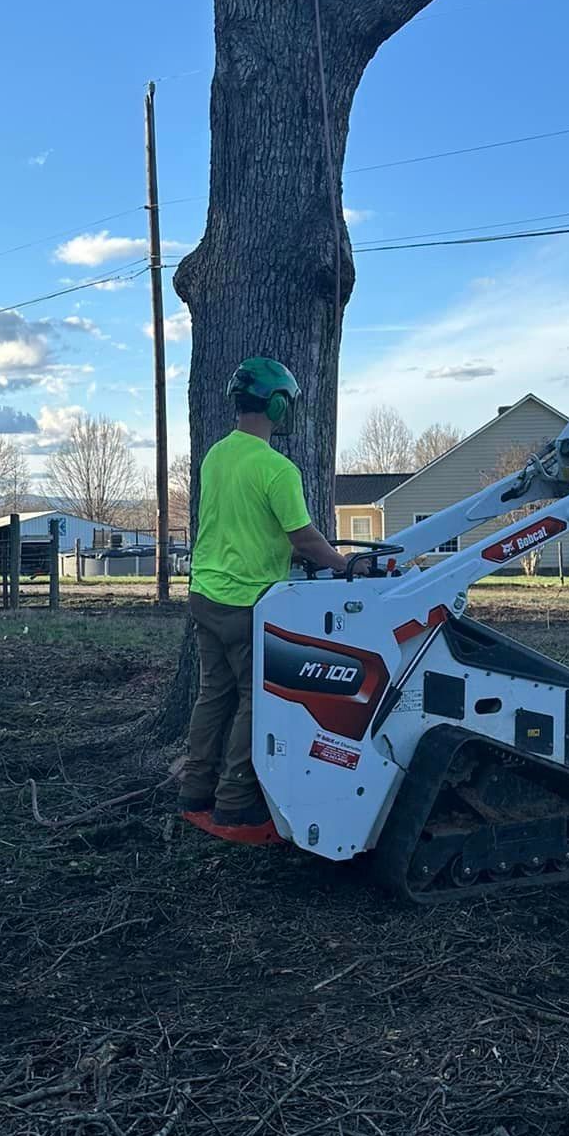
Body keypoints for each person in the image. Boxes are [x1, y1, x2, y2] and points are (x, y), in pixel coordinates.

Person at [178, 356, 346, 844]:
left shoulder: (216, 456)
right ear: (277, 405)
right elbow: (306, 538)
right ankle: (234, 803)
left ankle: (195, 788)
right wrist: (346, 565)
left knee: (214, 695)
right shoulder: (277, 468)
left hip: (205, 594)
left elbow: (241, 524)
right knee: (257, 701)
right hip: (248, 603)